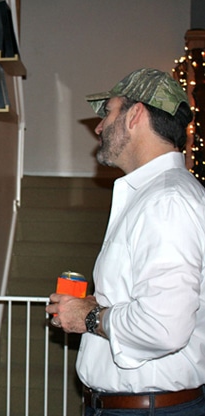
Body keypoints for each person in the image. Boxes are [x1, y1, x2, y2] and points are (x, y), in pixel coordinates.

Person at [46, 68, 205, 415]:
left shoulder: (167, 201)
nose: (99, 127)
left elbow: (163, 327)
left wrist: (90, 317)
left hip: (149, 410)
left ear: (135, 115)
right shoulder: (155, 195)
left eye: (109, 112)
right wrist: (96, 307)